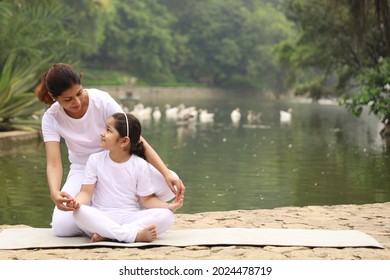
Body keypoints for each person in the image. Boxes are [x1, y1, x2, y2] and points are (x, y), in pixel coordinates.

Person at [36, 63, 185, 237]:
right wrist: (55, 192)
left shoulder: (101, 100)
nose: (76, 102)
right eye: (68, 99)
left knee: (169, 185)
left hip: (118, 159)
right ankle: (123, 227)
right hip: (83, 169)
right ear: (54, 97)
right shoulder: (51, 118)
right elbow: (54, 163)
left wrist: (166, 173)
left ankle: (108, 225)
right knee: (62, 227)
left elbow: (135, 139)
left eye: (79, 93)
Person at [65, 113, 184, 243]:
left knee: (167, 216)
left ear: (124, 141)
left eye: (108, 130)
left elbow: (147, 200)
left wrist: (169, 206)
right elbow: (86, 193)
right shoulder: (95, 160)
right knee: (79, 212)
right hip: (103, 215)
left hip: (130, 216)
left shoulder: (140, 164)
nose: (102, 133)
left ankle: (109, 234)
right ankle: (133, 235)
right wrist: (76, 202)